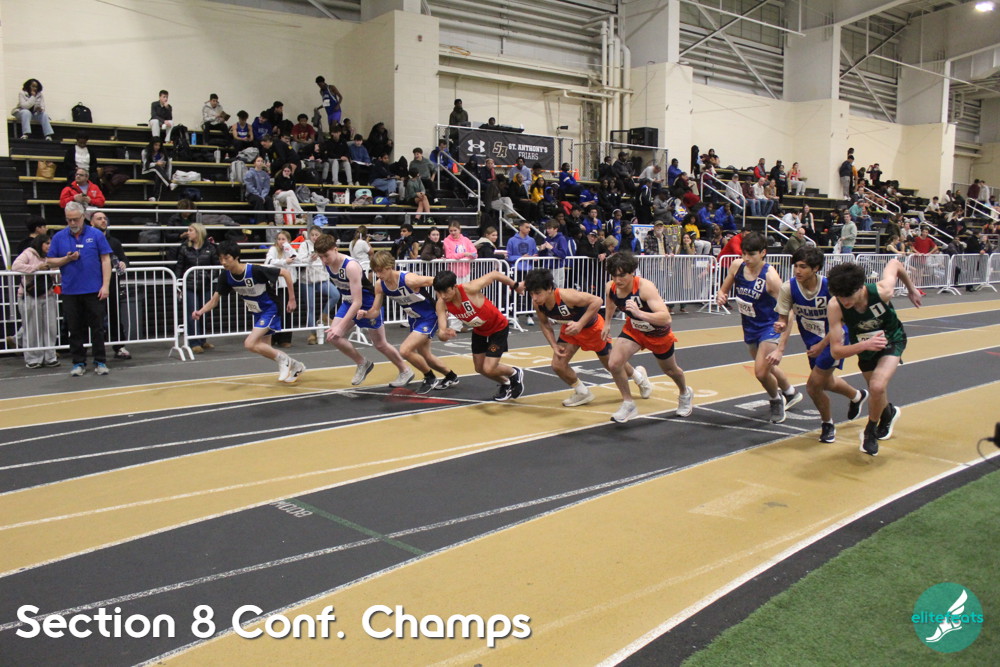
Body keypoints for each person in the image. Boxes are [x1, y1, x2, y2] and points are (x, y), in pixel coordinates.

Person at [768, 247, 870, 443]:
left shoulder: (830, 288)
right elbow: (784, 317)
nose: (797, 271)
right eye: (796, 266)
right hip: (812, 338)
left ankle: (827, 424)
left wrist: (822, 345)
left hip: (835, 337)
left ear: (815, 268)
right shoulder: (788, 288)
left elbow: (841, 321)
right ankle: (857, 396)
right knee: (826, 382)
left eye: (803, 267)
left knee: (813, 387)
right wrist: (780, 325)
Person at [828, 259, 921, 456]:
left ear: (860, 287)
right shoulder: (835, 306)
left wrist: (911, 288)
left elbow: (895, 263)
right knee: (877, 393)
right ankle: (889, 413)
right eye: (840, 296)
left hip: (892, 339)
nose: (845, 301)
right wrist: (864, 345)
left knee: (877, 386)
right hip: (865, 346)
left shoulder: (882, 291)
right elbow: (836, 351)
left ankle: (869, 431)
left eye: (848, 296)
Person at [523, 267, 652, 407]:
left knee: (612, 365)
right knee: (558, 365)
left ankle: (640, 378)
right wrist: (554, 345)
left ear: (549, 288)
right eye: (531, 294)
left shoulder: (567, 296)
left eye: (538, 293)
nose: (534, 298)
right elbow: (544, 324)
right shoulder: (538, 304)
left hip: (593, 329)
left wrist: (580, 324)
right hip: (571, 330)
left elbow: (597, 301)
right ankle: (582, 392)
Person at [715, 232, 803, 423]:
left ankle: (776, 400)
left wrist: (781, 347)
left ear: (763, 253)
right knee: (766, 366)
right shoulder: (737, 266)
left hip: (769, 326)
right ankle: (791, 392)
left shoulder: (770, 277)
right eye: (744, 253)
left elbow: (788, 311)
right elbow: (724, 288)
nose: (746, 258)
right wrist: (721, 295)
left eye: (751, 254)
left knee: (761, 372)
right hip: (750, 325)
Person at [193, 241, 304, 383]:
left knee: (249, 343)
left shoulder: (255, 270)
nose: (223, 262)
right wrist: (201, 311)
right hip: (257, 312)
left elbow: (285, 273)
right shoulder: (226, 277)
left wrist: (292, 299)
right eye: (220, 258)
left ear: (236, 257)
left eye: (226, 258)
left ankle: (285, 361)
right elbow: (214, 300)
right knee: (265, 349)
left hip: (271, 308)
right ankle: (296, 365)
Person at [602, 252, 693, 423]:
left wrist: (639, 313)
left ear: (632, 272)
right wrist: (607, 323)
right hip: (634, 330)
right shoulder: (611, 287)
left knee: (671, 370)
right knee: (614, 363)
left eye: (622, 275)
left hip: (657, 334)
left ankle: (685, 393)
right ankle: (628, 403)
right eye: (614, 275)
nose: (617, 280)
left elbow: (666, 318)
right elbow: (610, 302)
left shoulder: (645, 288)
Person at [313, 233, 413, 387]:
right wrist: (338, 327)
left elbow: (358, 302)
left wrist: (340, 326)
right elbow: (351, 298)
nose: (324, 260)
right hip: (349, 302)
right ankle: (362, 363)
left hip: (367, 303)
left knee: (380, 344)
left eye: (326, 256)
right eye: (320, 257)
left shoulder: (351, 266)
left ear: (335, 249)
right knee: (333, 336)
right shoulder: (327, 264)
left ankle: (405, 370)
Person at [362, 251, 460, 395]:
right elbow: (375, 310)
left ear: (389, 267)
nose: (378, 275)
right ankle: (451, 376)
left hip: (429, 316)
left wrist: (442, 305)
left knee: (405, 350)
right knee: (425, 355)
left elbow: (439, 282)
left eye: (381, 271)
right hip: (414, 319)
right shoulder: (380, 285)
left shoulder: (409, 280)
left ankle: (430, 378)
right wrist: (365, 314)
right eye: (375, 271)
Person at [433, 269, 525, 401]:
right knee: (479, 368)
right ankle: (506, 383)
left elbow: (494, 274)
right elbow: (441, 333)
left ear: (454, 287)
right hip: (479, 331)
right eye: (439, 292)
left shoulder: (469, 288)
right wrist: (444, 333)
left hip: (498, 329)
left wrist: (515, 285)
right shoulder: (441, 303)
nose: (443, 296)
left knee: (489, 368)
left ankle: (514, 372)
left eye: (446, 291)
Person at [47, 202, 112, 376]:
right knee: (74, 328)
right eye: (69, 220)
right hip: (70, 291)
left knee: (98, 328)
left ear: (83, 217)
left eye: (76, 219)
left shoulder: (96, 234)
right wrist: (66, 259)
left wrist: (105, 285)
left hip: (94, 290)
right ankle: (78, 362)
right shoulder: (59, 237)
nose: (73, 223)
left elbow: (106, 260)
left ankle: (100, 361)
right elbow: (50, 261)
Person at [12, 234, 60, 368]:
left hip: (48, 295)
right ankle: (33, 359)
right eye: (47, 243)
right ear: (40, 243)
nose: (49, 246)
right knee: (32, 329)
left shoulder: (51, 257)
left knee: (50, 328)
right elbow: (16, 266)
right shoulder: (28, 253)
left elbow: (57, 275)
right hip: (29, 296)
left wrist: (54, 271)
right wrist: (36, 268)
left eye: (51, 243)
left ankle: (50, 357)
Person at [91, 211, 132, 360]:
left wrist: (123, 263)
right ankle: (90, 347)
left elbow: (124, 260)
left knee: (115, 315)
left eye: (104, 218)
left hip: (112, 284)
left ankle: (119, 346)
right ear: (91, 222)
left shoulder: (114, 242)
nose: (103, 221)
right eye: (99, 218)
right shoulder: (88, 241)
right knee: (92, 317)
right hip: (92, 285)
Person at [175, 222, 219, 353]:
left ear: (198, 232)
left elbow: (216, 266)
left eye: (191, 230)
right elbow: (179, 266)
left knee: (204, 313)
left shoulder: (211, 248)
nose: (188, 233)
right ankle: (194, 342)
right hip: (189, 285)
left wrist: (209, 277)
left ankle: (202, 340)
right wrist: (178, 283)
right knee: (192, 313)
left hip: (205, 285)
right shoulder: (184, 248)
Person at [296, 225, 340, 344]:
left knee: (335, 294)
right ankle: (312, 334)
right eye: (312, 235)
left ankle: (324, 315)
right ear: (309, 235)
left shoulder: (324, 245)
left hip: (322, 277)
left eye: (317, 235)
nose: (314, 237)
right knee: (310, 307)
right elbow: (299, 260)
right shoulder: (304, 245)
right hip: (307, 279)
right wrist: (310, 259)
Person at [264, 230, 300, 347]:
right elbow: (269, 262)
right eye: (279, 239)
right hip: (276, 286)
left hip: (289, 285)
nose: (280, 241)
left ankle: (285, 339)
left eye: (283, 239)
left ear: (288, 240)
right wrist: (284, 261)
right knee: (276, 311)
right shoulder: (273, 250)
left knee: (288, 311)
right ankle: (273, 337)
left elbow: (298, 259)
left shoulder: (290, 250)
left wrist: (289, 249)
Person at [244, 156, 272, 223]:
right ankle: (260, 222)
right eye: (258, 161)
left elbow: (266, 187)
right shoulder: (249, 173)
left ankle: (271, 221)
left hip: (262, 194)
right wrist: (259, 196)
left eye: (261, 161)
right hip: (251, 194)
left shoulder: (265, 174)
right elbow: (250, 187)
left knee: (269, 200)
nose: (260, 162)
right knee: (258, 200)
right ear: (254, 163)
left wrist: (263, 196)